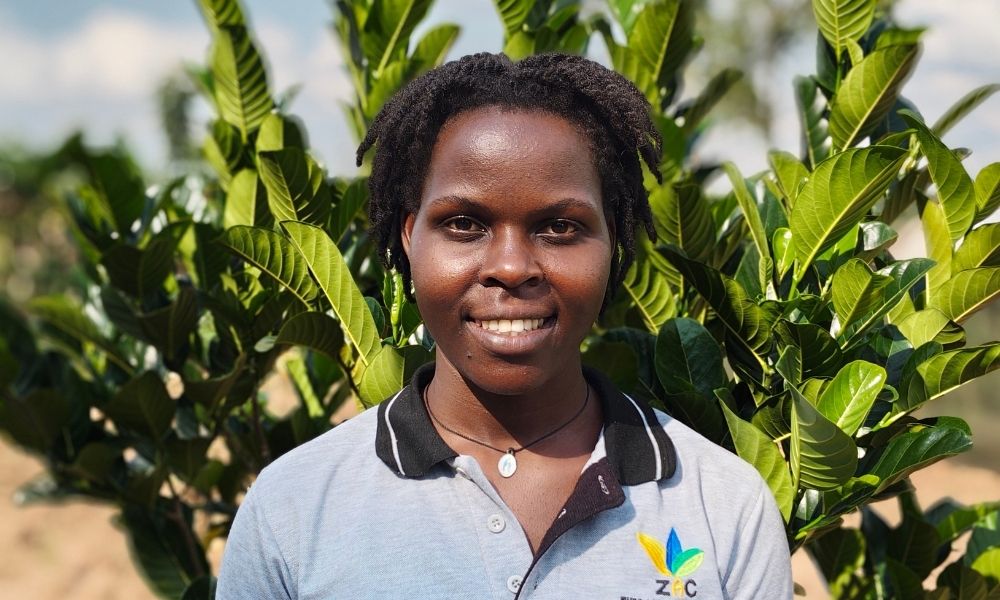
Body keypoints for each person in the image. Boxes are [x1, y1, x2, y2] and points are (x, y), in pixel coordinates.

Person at [217, 52, 793, 599]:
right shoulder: (292, 511)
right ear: (409, 237)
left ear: (613, 241)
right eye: (465, 224)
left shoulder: (723, 508)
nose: (512, 267)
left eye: (560, 227)